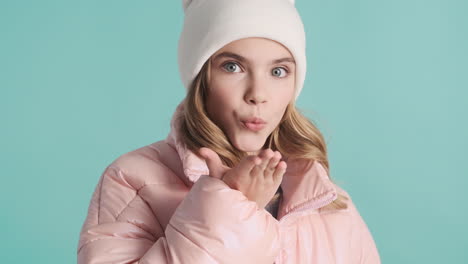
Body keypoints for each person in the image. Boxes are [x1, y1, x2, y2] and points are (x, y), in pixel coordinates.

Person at [77, 0, 381, 263]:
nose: (258, 94)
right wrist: (231, 206)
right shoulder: (132, 180)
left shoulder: (328, 201)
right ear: (200, 77)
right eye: (233, 66)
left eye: (278, 71)